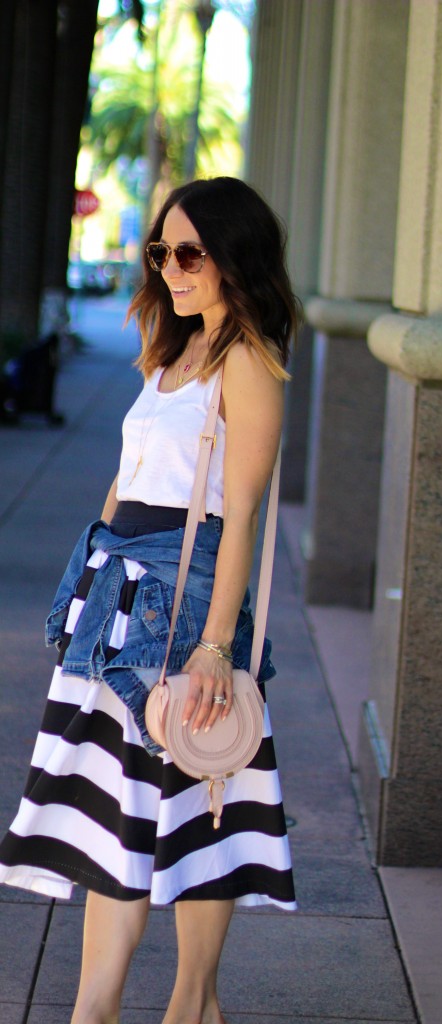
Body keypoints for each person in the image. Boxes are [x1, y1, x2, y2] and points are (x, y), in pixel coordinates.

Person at [0, 176, 299, 1024]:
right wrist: (88, 580)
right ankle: (95, 1007)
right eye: (161, 250)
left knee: (204, 798)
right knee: (113, 811)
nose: (172, 267)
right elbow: (127, 479)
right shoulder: (173, 352)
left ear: (236, 260)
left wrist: (213, 647)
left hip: (180, 610)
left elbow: (238, 513)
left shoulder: (248, 364)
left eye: (191, 253)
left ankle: (191, 1004)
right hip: (115, 602)